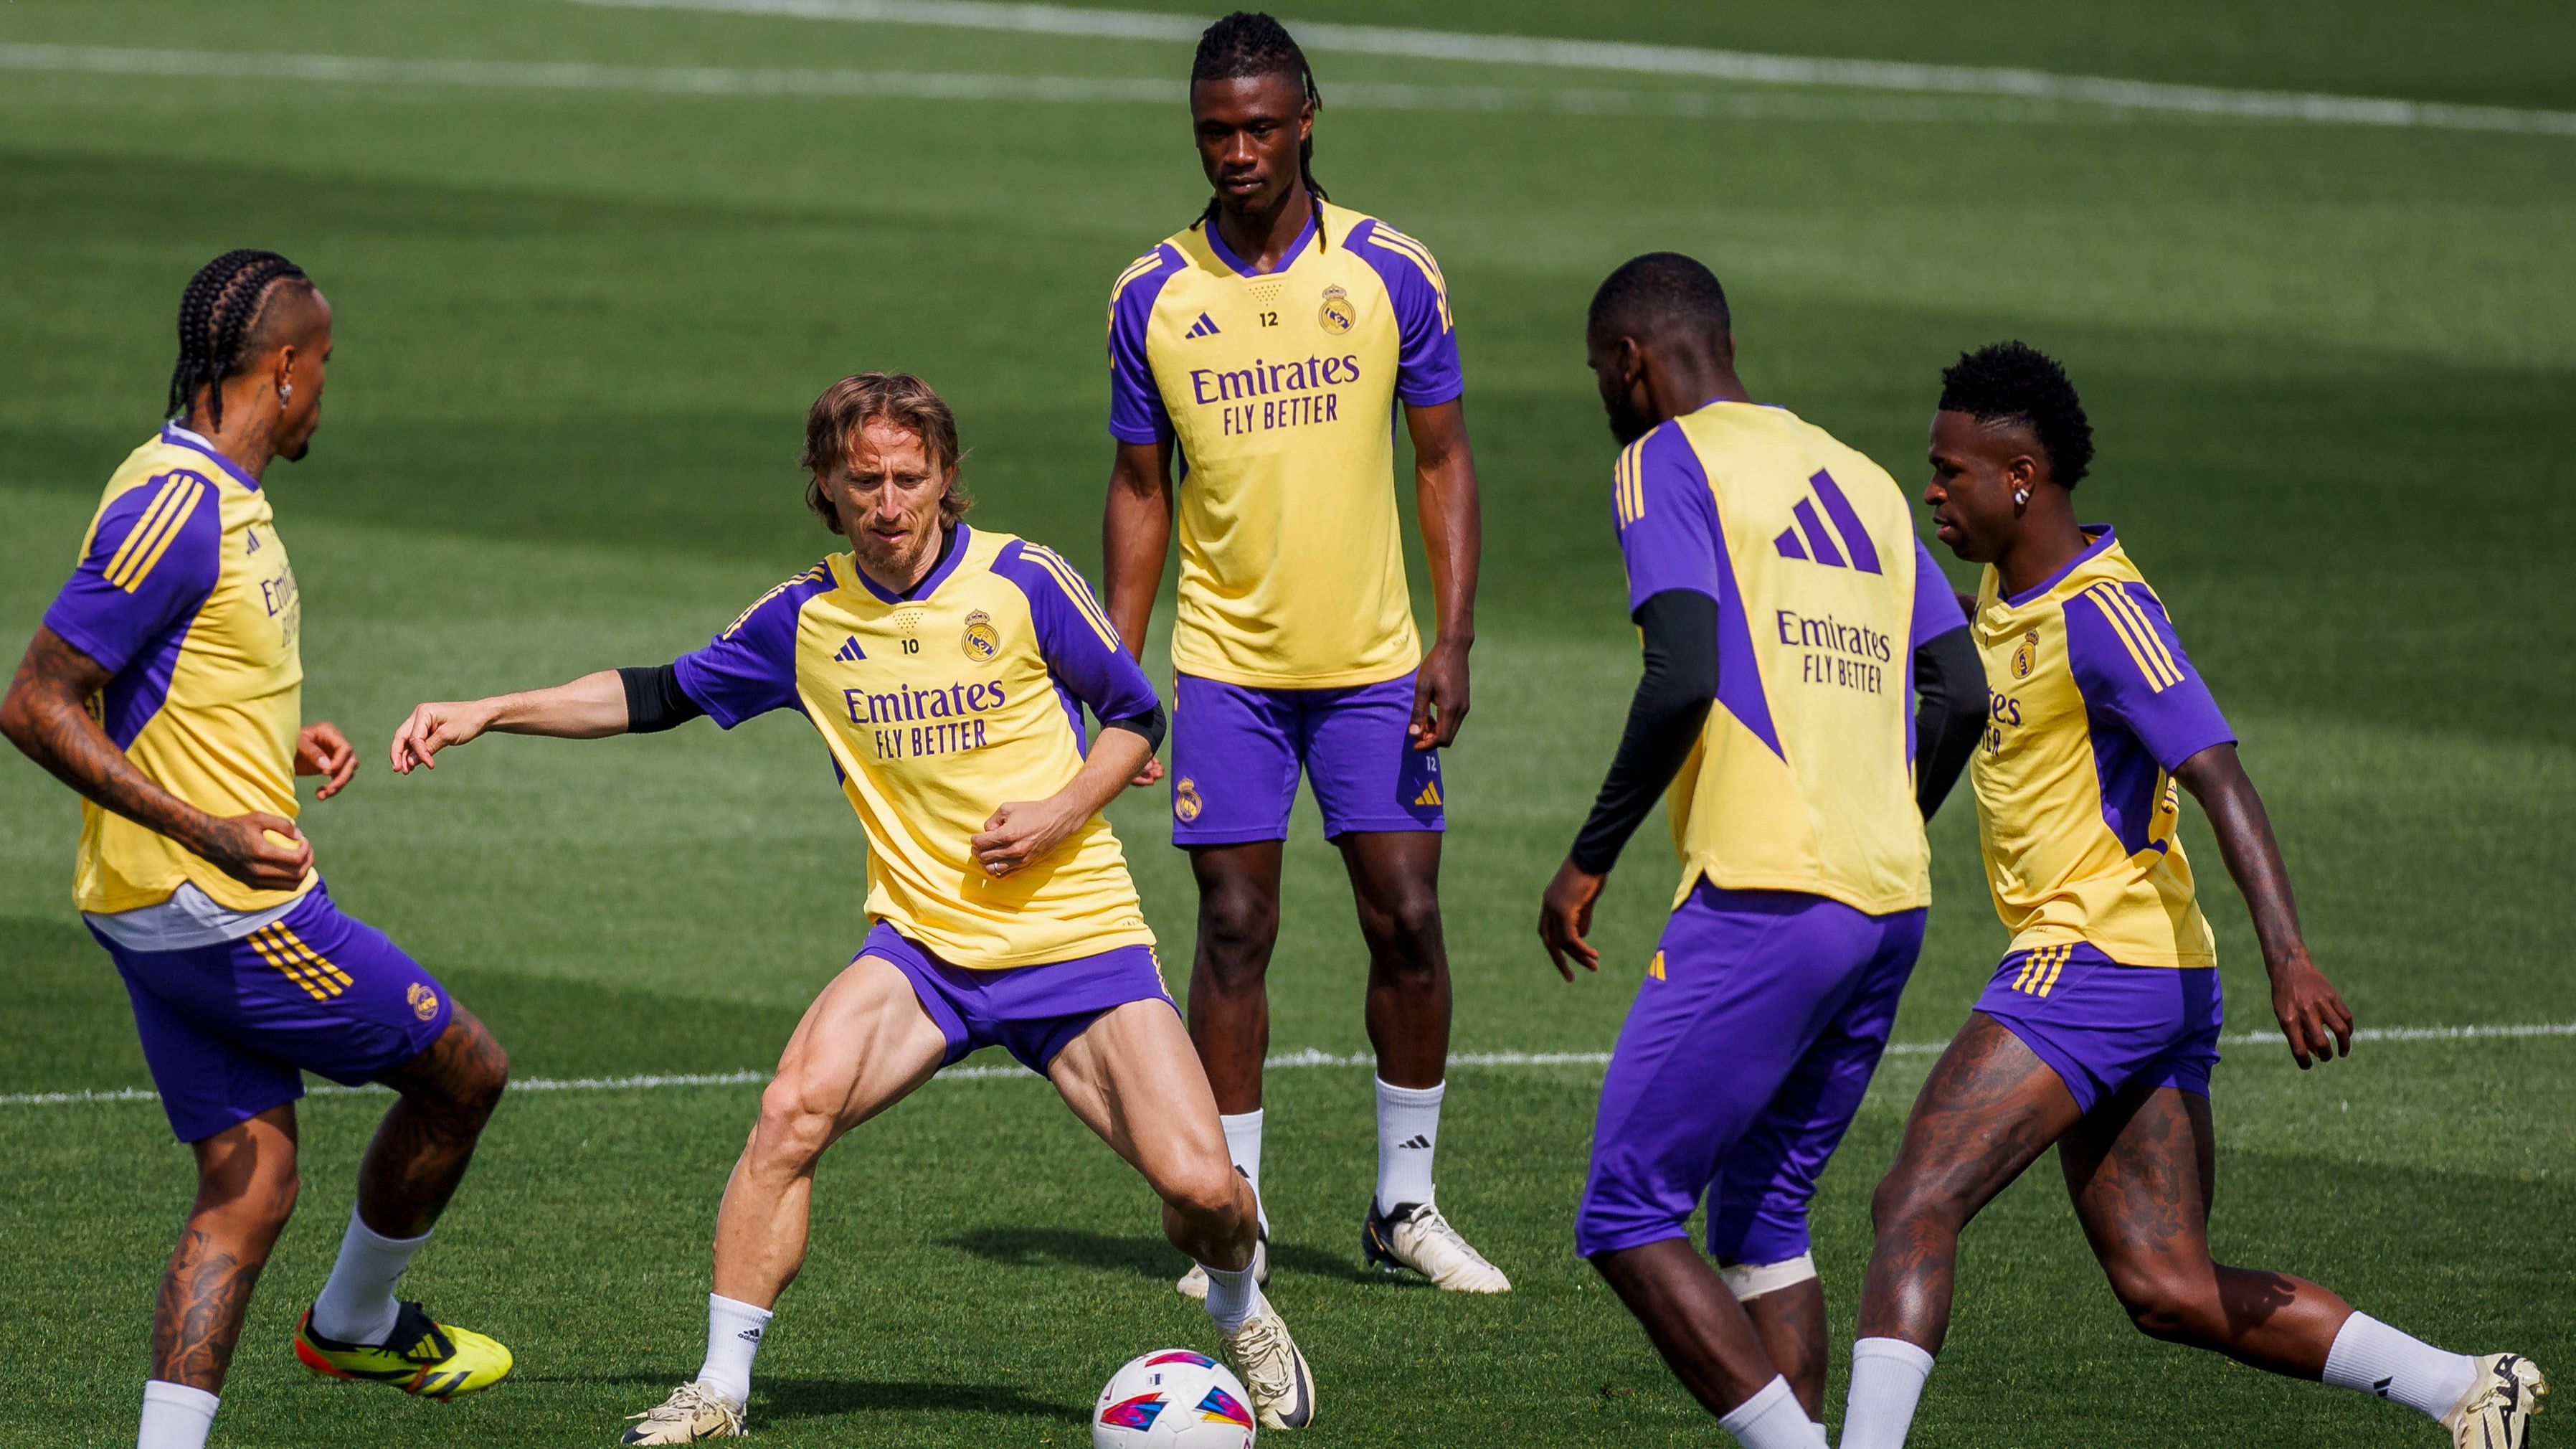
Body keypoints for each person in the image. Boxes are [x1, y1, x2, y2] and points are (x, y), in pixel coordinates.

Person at [388, 372, 1317, 1441]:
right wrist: (490, 709)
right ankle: (720, 1391)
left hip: (1078, 943)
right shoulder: (805, 616)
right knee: (791, 1111)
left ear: (946, 478)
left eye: (909, 479)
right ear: (825, 487)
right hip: (924, 952)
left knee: (1204, 1193)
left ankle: (1240, 1308)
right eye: (863, 480)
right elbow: (657, 694)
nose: (887, 503)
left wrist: (1058, 812)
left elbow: (1136, 716)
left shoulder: (1023, 581)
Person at [1838, 341, 2547, 1449]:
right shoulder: (2008, 587)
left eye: (1948, 471)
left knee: (1915, 1199)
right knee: (2165, 1286)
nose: (1931, 490)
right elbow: (1974, 684)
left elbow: (2221, 776)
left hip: (2099, 953)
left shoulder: (2106, 614)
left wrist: (2291, 958)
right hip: (2149, 972)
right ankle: (2466, 1387)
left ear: (2021, 477)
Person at [0, 250, 514, 1449]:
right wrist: (211, 827)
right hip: (220, 907)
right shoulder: (178, 506)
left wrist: (271, 740)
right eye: (323, 363)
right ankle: (357, 1323)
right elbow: (36, 700)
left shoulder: (208, 494)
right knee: (465, 1073)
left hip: (155, 905)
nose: (327, 386)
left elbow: (153, 672)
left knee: (251, 1188)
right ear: (282, 369)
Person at [1535, 252, 1986, 1449]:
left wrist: (1589, 858)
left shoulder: (1663, 461)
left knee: (1628, 1212)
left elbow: (1682, 672)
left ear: (1632, 361)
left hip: (1768, 897)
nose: (1604, 396)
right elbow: (1961, 690)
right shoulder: (1866, 479)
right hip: (1890, 904)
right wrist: (1884, 814)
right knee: (1765, 1219)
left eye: (1600, 374)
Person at [1102, 9, 1505, 1299]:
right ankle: (1236, 1217)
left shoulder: (1390, 273)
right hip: (1228, 670)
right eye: (1215, 131)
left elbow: (1442, 458)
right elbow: (1141, 488)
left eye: (1261, 128)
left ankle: (1404, 1204)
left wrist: (1453, 635)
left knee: (1409, 919)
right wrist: (1118, 675)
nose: (1237, 152)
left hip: (1376, 666)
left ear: (1307, 122)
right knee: (1233, 926)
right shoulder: (1153, 294)